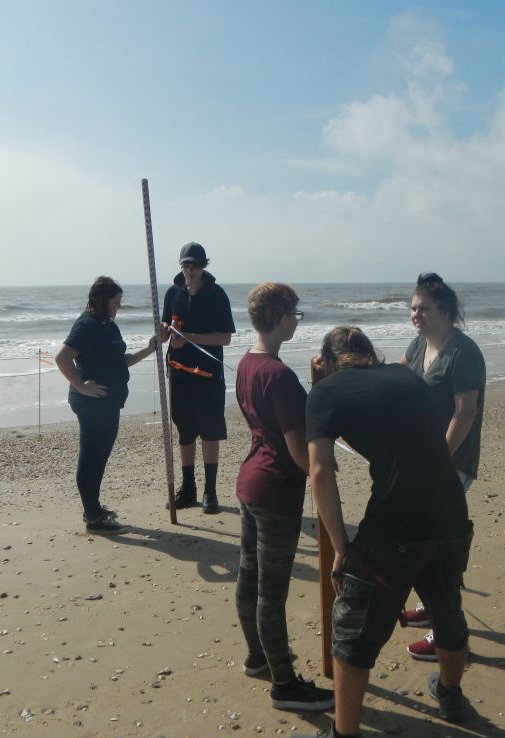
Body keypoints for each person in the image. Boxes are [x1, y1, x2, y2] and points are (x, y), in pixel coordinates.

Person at [290, 327, 474, 738]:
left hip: (395, 524)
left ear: (328, 363)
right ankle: (450, 694)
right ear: (371, 354)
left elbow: (320, 472)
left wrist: (340, 546)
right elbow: (378, 431)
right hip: (450, 511)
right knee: (447, 608)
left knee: (352, 631)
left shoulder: (327, 391)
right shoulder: (406, 376)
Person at [234, 283, 334, 712]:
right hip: (275, 489)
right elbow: (299, 452)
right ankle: (284, 684)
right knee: (270, 593)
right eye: (294, 313)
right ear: (277, 318)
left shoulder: (247, 364)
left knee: (250, 576)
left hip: (250, 480)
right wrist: (322, 471)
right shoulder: (278, 375)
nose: (297, 319)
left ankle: (258, 658)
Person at [398, 272, 485, 663]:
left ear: (446, 312)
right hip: (421, 459)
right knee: (421, 536)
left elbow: (466, 413)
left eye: (424, 309)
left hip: (451, 462)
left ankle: (445, 630)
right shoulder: (418, 345)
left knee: (438, 546)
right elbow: (397, 381)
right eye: (413, 308)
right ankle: (433, 608)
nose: (416, 315)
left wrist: (438, 462)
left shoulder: (464, 353)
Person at [55, 277, 158, 532]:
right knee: (90, 457)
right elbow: (62, 358)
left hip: (111, 403)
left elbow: (120, 360)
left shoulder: (108, 325)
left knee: (101, 458)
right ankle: (93, 518)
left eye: (120, 302)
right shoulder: (87, 325)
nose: (119, 307)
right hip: (92, 403)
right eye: (116, 302)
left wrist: (149, 349)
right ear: (102, 301)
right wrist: (82, 386)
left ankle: (94, 508)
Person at [160, 242, 236, 514]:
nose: (189, 269)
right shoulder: (172, 293)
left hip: (208, 373)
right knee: (185, 429)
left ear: (204, 265)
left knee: (210, 430)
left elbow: (225, 337)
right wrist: (163, 332)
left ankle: (211, 491)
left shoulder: (217, 295)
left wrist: (190, 339)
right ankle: (188, 488)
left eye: (194, 264)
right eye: (185, 264)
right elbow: (167, 331)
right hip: (179, 373)